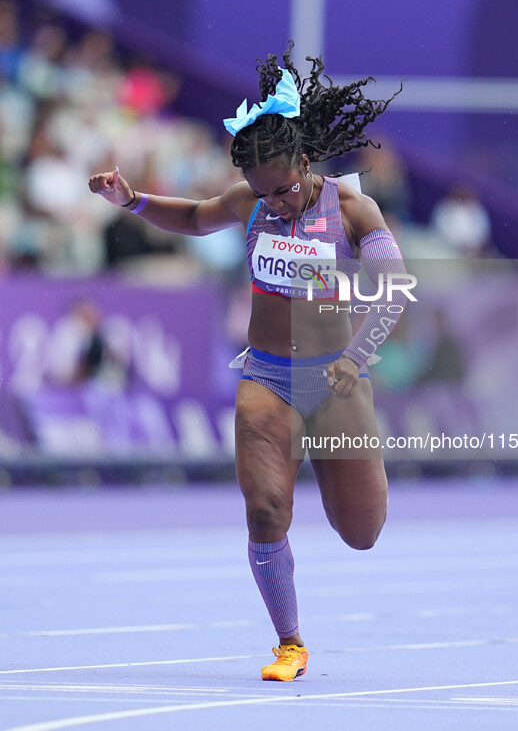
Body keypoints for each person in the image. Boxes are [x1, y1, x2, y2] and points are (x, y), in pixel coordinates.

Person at [89, 44, 410, 681]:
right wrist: (132, 201)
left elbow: (395, 291)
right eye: (266, 195)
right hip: (268, 377)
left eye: (285, 191)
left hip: (338, 380)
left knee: (362, 532)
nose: (278, 205)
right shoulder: (252, 200)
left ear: (306, 163)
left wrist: (355, 357)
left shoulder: (352, 208)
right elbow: (195, 217)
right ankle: (289, 642)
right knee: (264, 509)